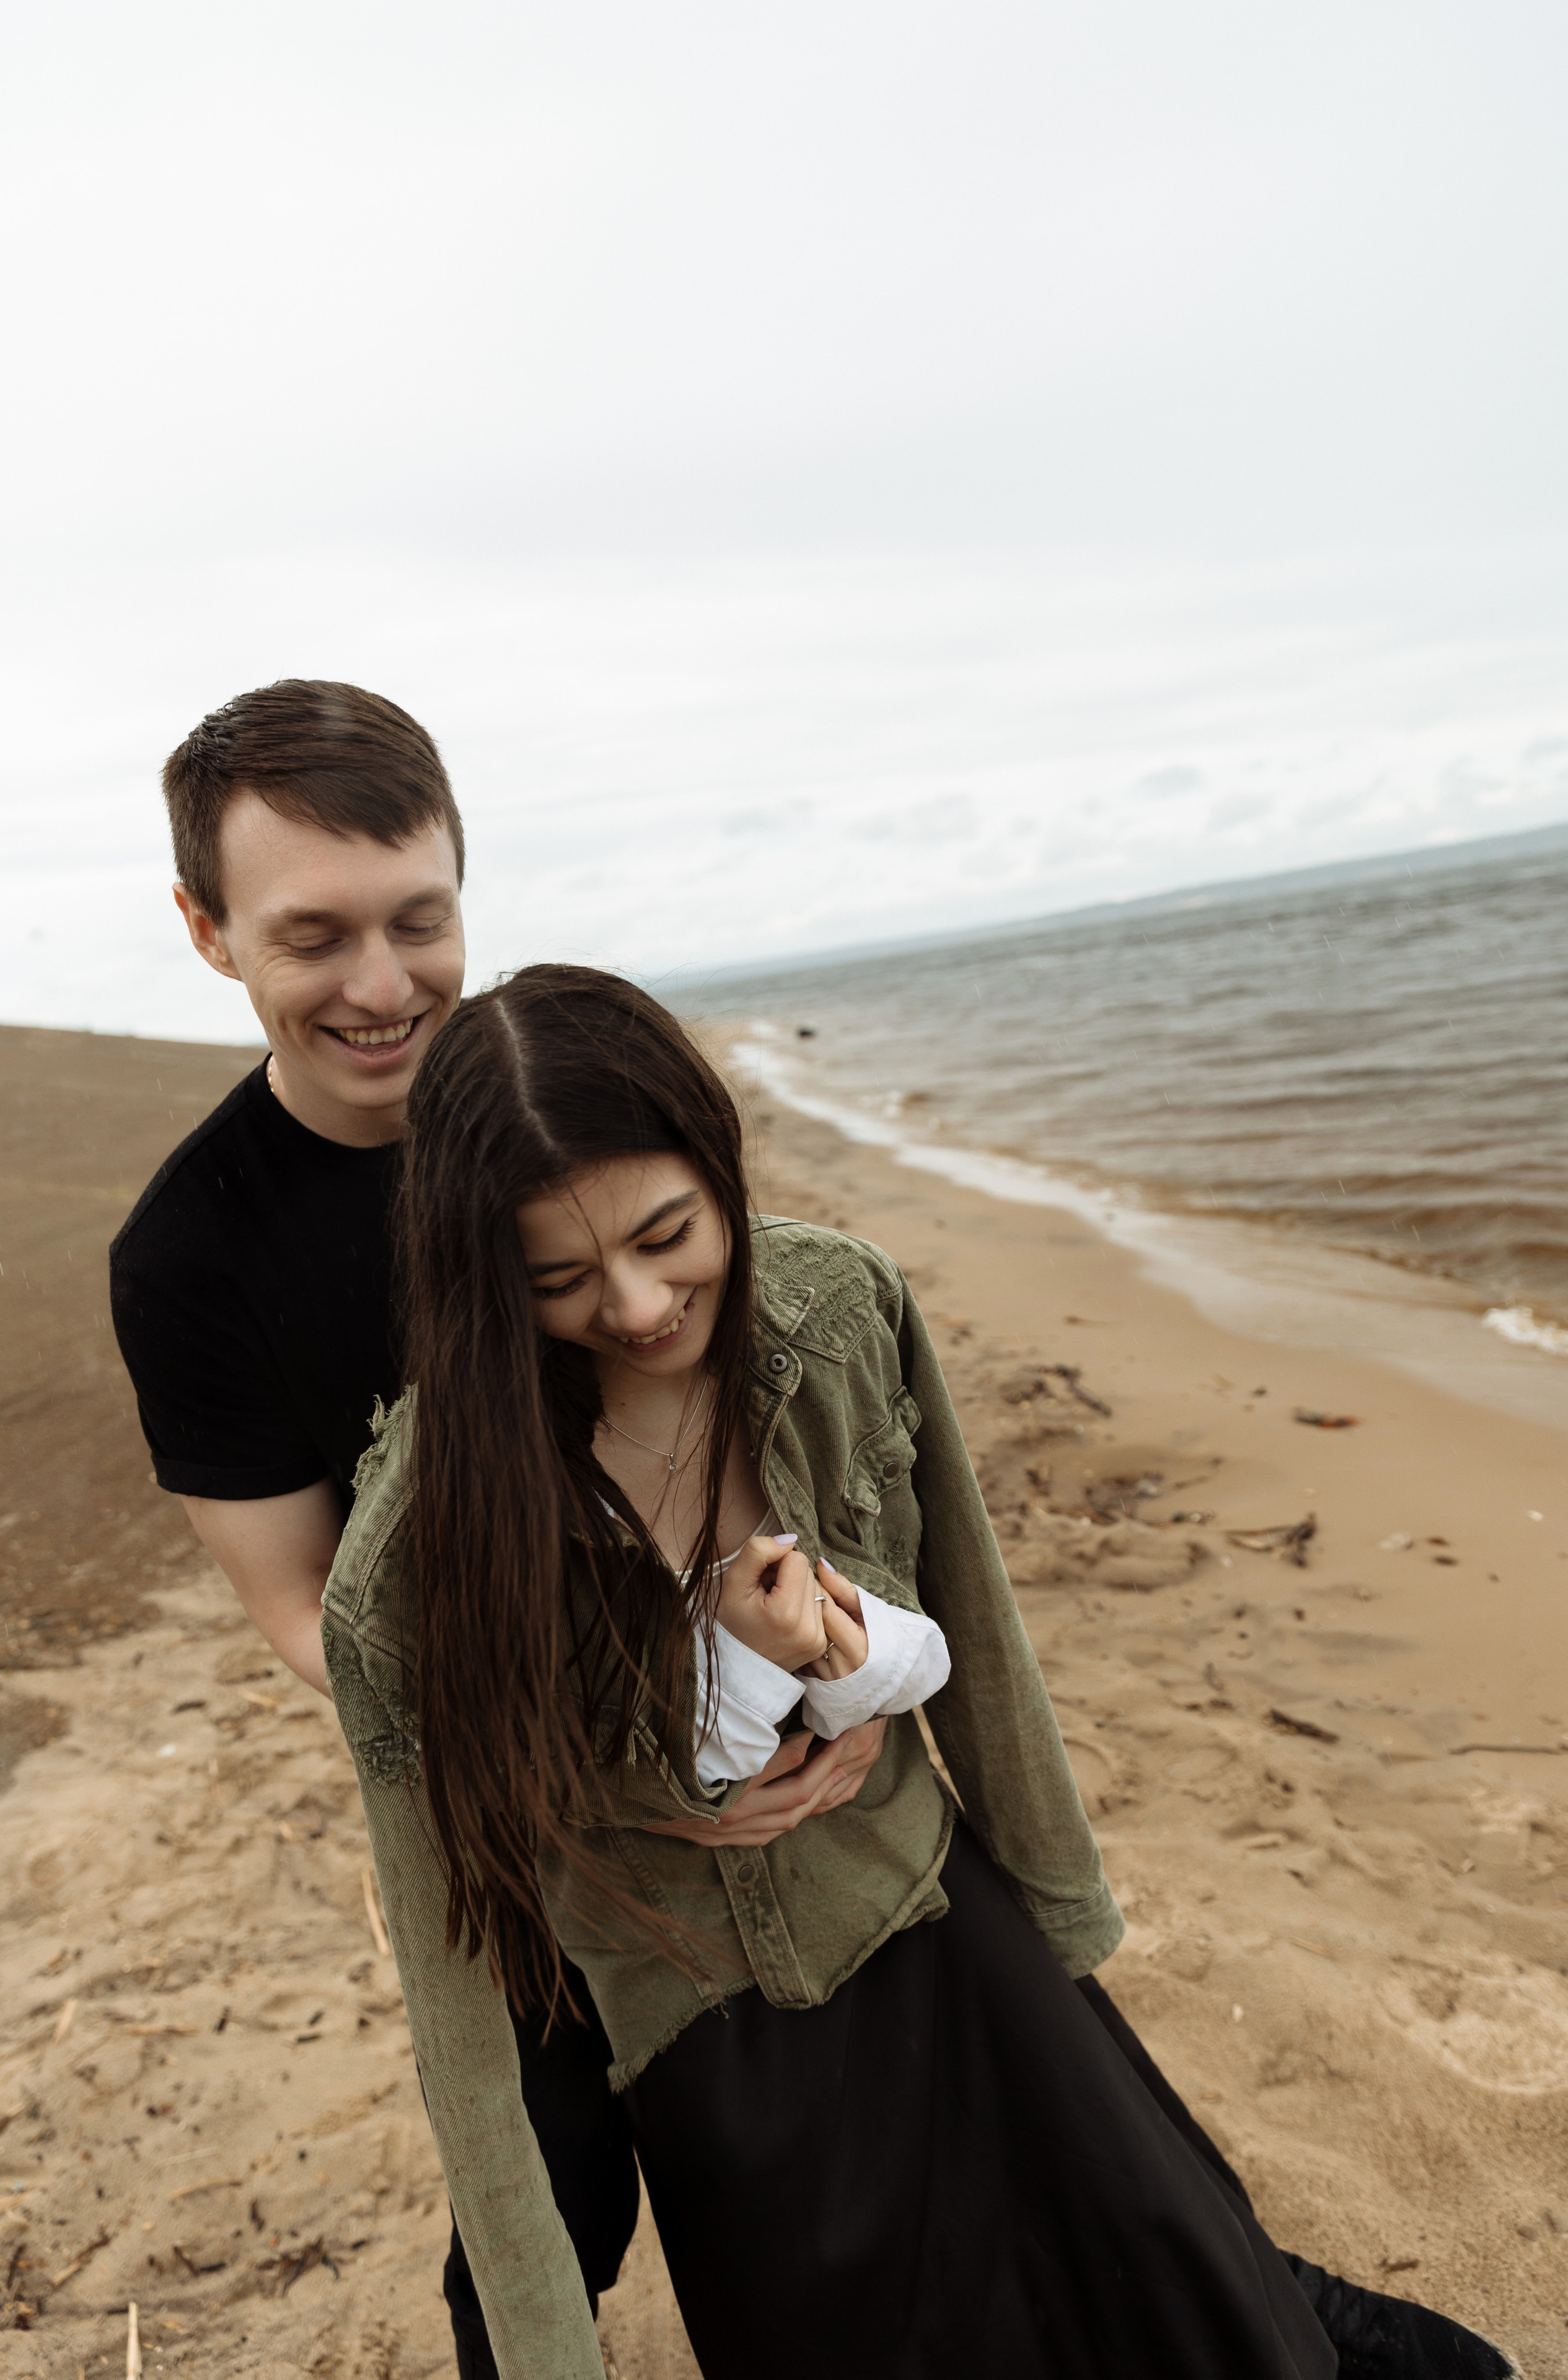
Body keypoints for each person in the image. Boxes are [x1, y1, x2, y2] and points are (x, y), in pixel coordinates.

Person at [325, 963, 1518, 2380]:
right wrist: (536, 2338)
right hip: (714, 2046)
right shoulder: (411, 1554)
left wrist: (1065, 1940)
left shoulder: (837, 1313)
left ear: (722, 1162)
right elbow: (459, 1984)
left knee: (1183, 2301)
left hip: (944, 1913)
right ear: (483, 1278)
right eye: (561, 1281)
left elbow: (977, 1634)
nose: (639, 1306)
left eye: (669, 1235)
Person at [108, 682, 889, 2373]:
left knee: (881, 2167)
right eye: (312, 937)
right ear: (206, 932)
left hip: (784, 1715)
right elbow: (309, 1605)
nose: (385, 987)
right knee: (536, 2228)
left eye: (420, 918)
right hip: (511, 1814)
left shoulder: (567, 1105)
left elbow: (775, 1403)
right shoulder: (190, 1258)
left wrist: (830, 1672)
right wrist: (610, 1766)